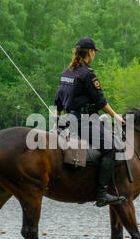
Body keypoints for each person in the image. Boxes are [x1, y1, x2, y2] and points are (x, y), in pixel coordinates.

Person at [53, 37, 126, 207]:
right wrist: (116, 116)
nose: (94, 55)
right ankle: (101, 194)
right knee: (112, 148)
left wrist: (57, 120)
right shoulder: (88, 74)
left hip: (67, 120)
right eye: (94, 52)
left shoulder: (66, 73)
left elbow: (58, 99)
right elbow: (101, 102)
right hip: (83, 121)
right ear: (91, 52)